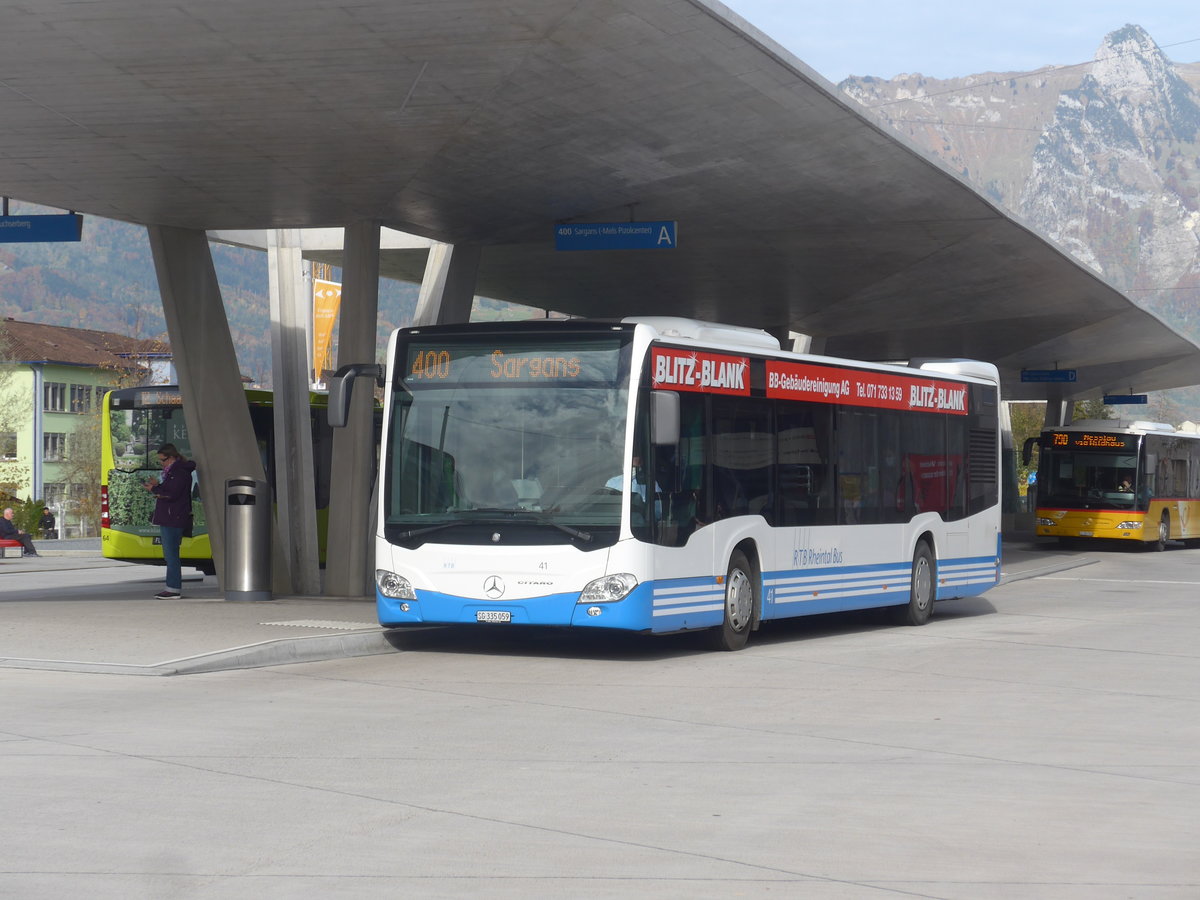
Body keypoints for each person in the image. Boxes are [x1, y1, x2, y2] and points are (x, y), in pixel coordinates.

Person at [144, 443, 196, 599]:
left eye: (163, 460)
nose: (162, 463)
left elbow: (172, 494)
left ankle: (173, 589)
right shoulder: (174, 472)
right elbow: (171, 491)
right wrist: (157, 486)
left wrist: (154, 489)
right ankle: (172, 588)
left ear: (172, 457)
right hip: (171, 516)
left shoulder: (178, 472)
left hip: (173, 517)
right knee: (171, 554)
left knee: (171, 555)